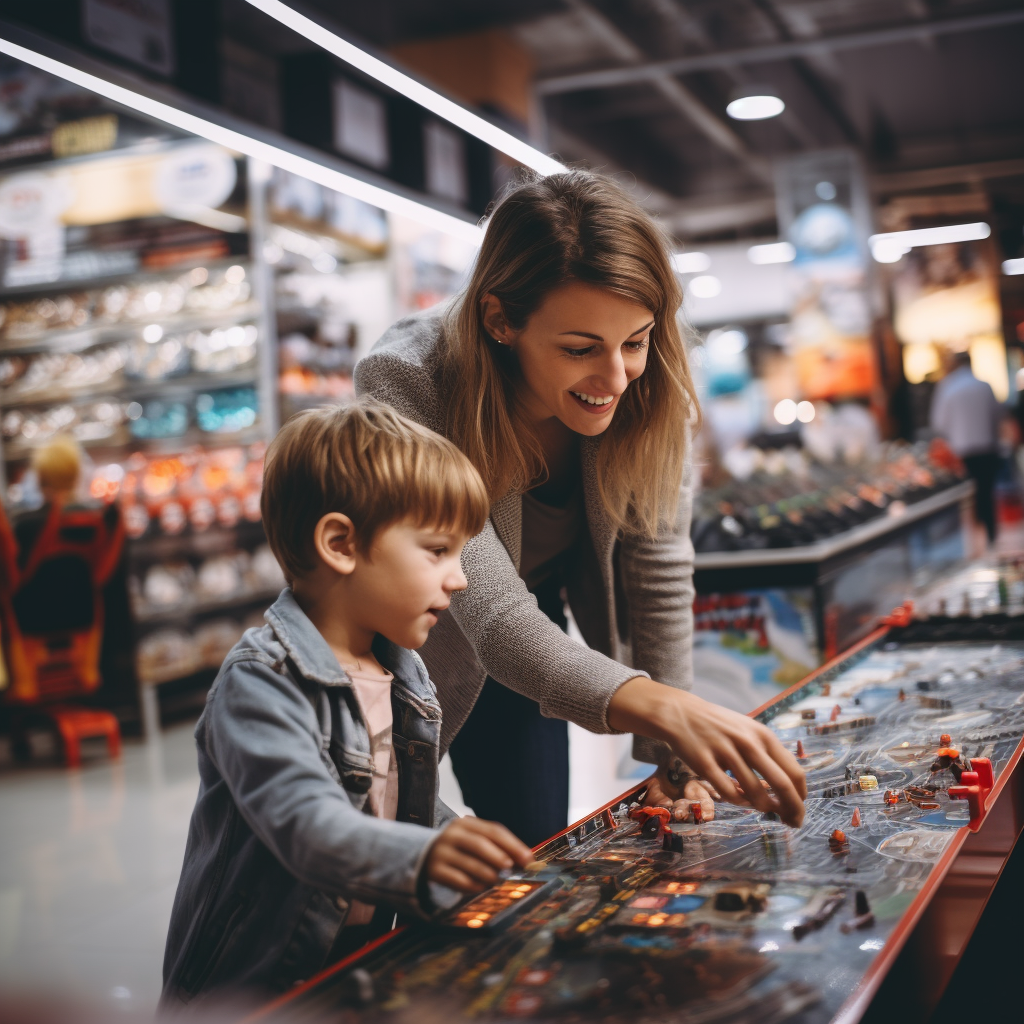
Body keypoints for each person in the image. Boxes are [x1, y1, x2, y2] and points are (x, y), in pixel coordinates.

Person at [356, 169, 806, 845]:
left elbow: (656, 570)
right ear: (500, 319)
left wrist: (674, 752)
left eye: (635, 340)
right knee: (370, 860)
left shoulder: (653, 391)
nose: (617, 378)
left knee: (532, 848)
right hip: (394, 644)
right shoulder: (409, 382)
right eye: (579, 349)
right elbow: (490, 610)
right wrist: (661, 707)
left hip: (533, 631)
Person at [160, 402, 534, 1010]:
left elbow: (396, 804)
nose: (459, 578)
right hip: (252, 991)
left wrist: (464, 846)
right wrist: (428, 857)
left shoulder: (400, 669)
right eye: (437, 550)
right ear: (340, 544)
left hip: (347, 966)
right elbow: (309, 825)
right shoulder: (261, 682)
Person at [930, 349, 1002, 544]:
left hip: (961, 450)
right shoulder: (984, 386)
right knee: (986, 492)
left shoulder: (948, 386)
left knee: (967, 498)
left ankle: (973, 541)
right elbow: (998, 415)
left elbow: (939, 423)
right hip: (987, 446)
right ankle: (990, 536)